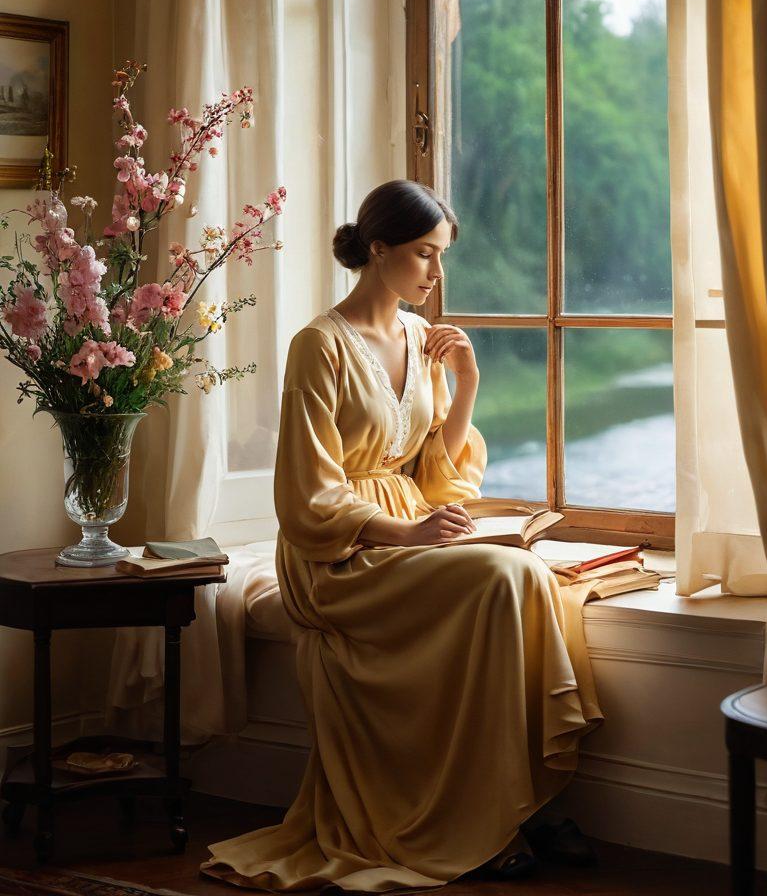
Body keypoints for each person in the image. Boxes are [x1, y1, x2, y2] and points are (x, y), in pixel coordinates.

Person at [201, 179, 602, 892]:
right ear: (378, 249)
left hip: (413, 528)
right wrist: (407, 534)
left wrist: (466, 381)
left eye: (442, 255)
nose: (436, 272)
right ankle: (495, 816)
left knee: (533, 577)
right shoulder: (318, 345)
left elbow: (438, 475)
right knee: (504, 577)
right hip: (339, 553)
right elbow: (308, 496)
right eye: (423, 254)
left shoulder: (422, 338)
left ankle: (514, 805)